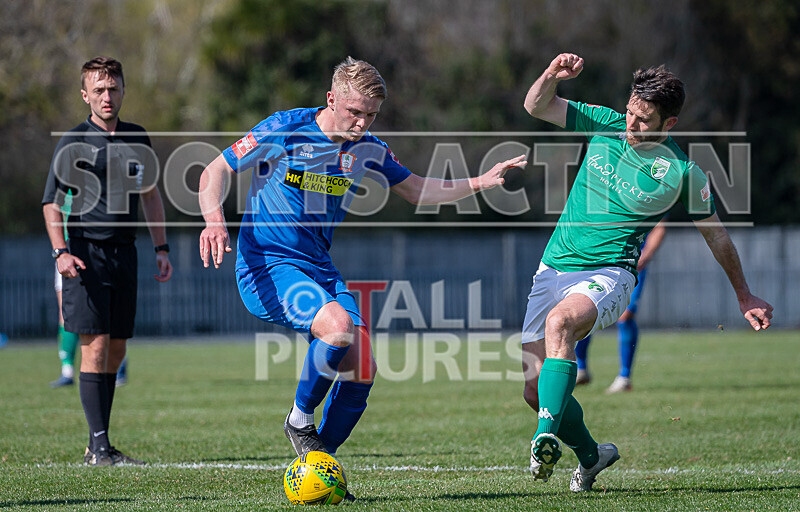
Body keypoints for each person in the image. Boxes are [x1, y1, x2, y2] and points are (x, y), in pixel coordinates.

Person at [198, 57, 526, 498]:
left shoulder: (367, 148)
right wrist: (215, 220)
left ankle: (319, 470)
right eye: (354, 112)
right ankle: (299, 419)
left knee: (363, 366)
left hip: (318, 267)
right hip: (266, 264)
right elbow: (214, 170)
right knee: (338, 331)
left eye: (370, 115)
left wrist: (481, 182)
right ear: (331, 99)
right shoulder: (284, 128)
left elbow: (416, 189)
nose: (361, 122)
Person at [520, 53, 773, 492]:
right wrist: (549, 76)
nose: (631, 125)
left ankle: (544, 436)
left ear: (668, 124)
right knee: (534, 390)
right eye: (630, 113)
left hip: (609, 275)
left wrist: (744, 294)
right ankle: (591, 455)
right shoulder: (604, 122)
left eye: (644, 120)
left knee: (560, 324)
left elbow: (716, 236)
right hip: (552, 266)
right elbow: (537, 107)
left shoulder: (681, 173)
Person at [42, 56, 173, 465]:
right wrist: (61, 252)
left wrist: (162, 248)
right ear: (85, 95)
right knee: (95, 347)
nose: (107, 96)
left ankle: (97, 442)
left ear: (123, 90)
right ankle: (100, 446)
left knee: (116, 351)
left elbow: (150, 195)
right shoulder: (73, 140)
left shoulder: (138, 136)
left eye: (113, 88)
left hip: (126, 253)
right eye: (98, 90)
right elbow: (50, 202)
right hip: (85, 254)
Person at [574, 219, 667, 393]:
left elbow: (660, 226)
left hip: (632, 261)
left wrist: (645, 255)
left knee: (625, 315)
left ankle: (624, 378)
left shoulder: (648, 193)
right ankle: (581, 368)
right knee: (585, 308)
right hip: (602, 259)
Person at [49, 193, 129, 389]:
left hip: (99, 250)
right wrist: (60, 250)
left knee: (107, 312)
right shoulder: (62, 179)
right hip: (68, 252)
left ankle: (117, 364)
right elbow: (50, 209)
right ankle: (67, 370)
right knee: (65, 313)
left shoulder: (94, 178)